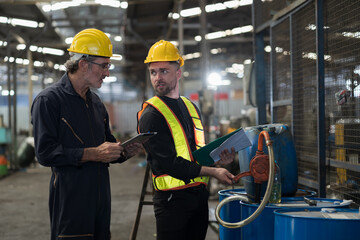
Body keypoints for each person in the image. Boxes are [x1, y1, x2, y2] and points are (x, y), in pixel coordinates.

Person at [31, 28, 142, 240]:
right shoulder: (49, 101)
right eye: (104, 65)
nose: (107, 73)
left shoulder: (97, 103)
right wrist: (92, 154)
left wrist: (125, 151)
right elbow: (45, 153)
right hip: (71, 200)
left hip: (101, 199)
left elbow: (106, 146)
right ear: (83, 64)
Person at [137, 40, 236, 240]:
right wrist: (213, 171)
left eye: (164, 71)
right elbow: (169, 164)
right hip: (172, 202)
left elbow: (194, 153)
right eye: (153, 72)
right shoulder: (151, 115)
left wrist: (217, 160)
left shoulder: (190, 107)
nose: (157, 78)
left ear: (178, 72)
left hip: (198, 197)